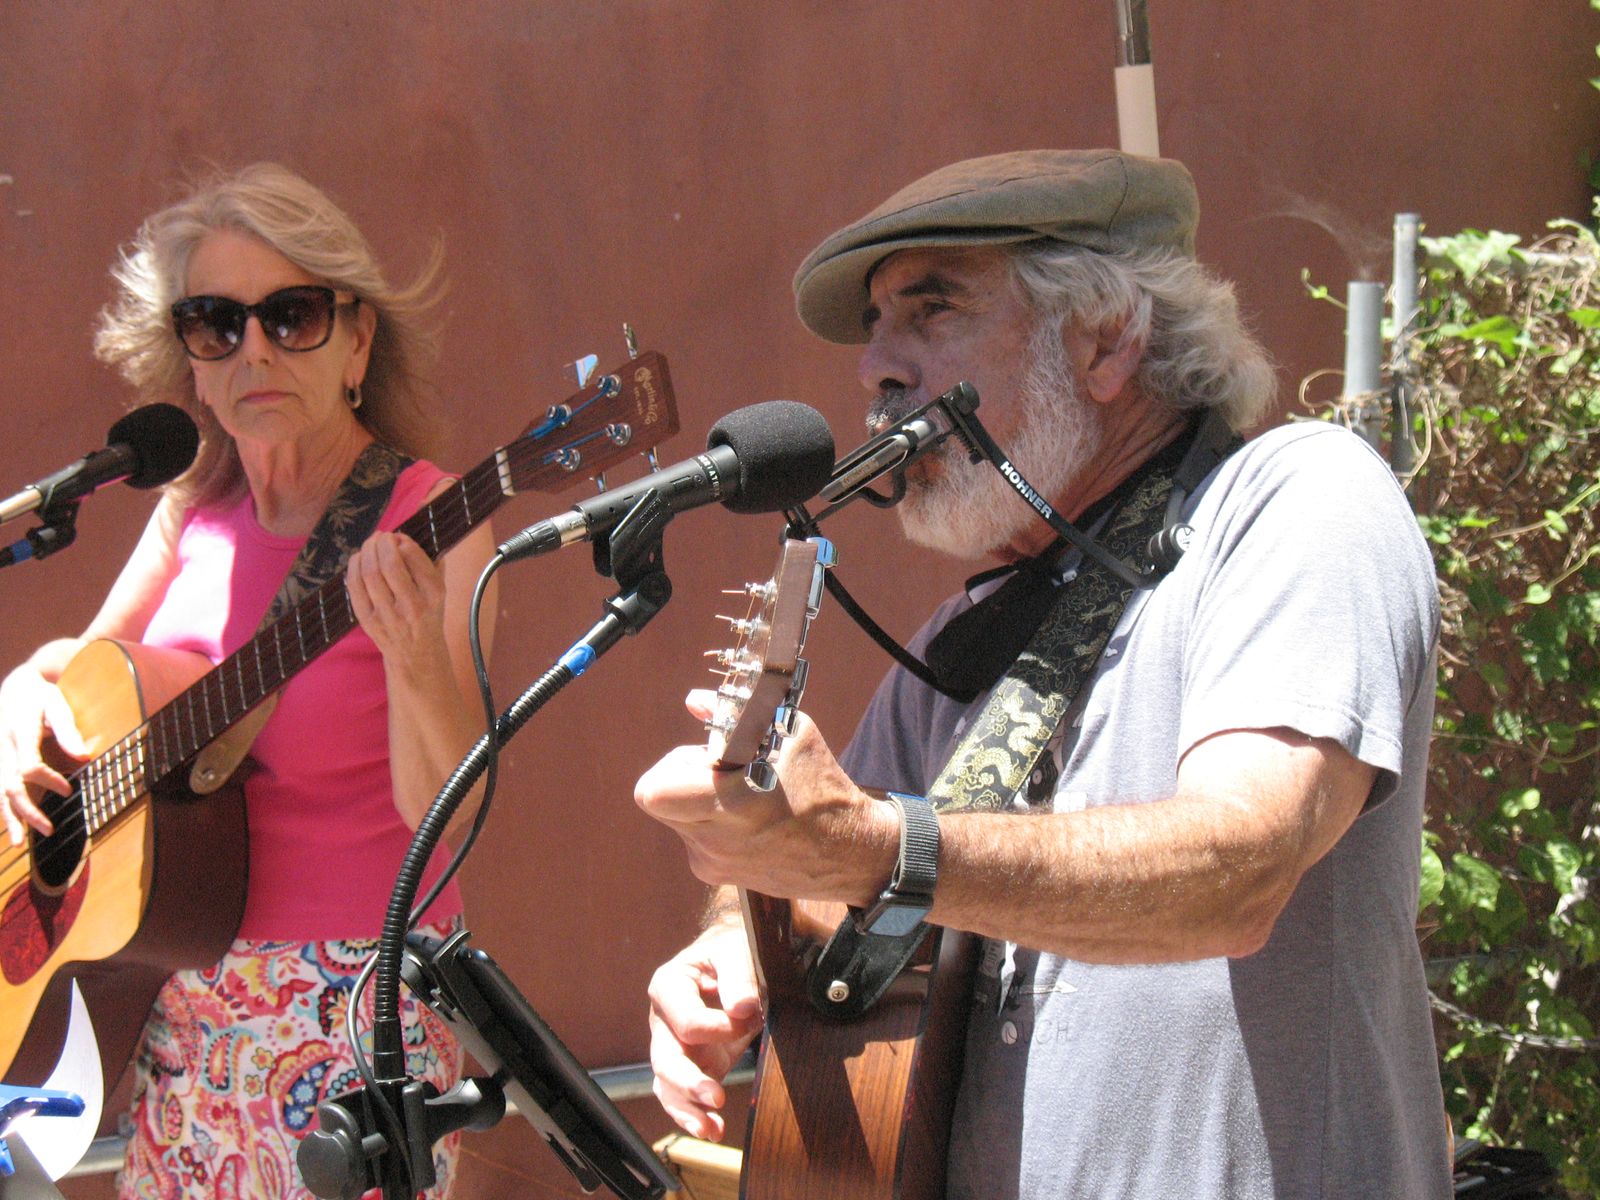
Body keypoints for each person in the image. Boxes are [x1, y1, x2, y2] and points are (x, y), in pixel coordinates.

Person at [635, 149, 1451, 1198]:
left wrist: (865, 847)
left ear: (1106, 339)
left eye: (933, 309)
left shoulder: (1294, 502)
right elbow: (828, 857)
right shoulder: (961, 643)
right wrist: (735, 949)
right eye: (876, 327)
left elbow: (1240, 870)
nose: (875, 367)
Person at [0, 163, 496, 1199]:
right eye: (215, 323)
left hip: (354, 1013)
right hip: (176, 999)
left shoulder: (431, 518)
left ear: (358, 339)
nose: (254, 350)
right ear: (187, 355)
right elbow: (79, 677)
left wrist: (411, 656)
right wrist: (16, 705)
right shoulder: (190, 507)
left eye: (292, 316)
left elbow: (446, 817)